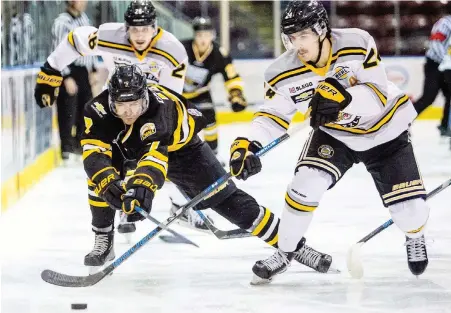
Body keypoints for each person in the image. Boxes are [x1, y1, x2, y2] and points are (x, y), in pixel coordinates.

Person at [229, 0, 430, 284]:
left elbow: (377, 95)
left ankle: (414, 235)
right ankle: (286, 251)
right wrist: (247, 143)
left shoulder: (357, 43)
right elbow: (271, 115)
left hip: (384, 129)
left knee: (410, 213)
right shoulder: (280, 72)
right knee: (305, 183)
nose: (297, 44)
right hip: (335, 134)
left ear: (321, 29)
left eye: (303, 35)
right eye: (291, 37)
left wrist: (343, 98)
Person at [79, 64, 332, 273]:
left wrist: (140, 190)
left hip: (182, 150)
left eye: (134, 104)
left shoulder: (161, 112)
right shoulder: (96, 110)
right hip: (126, 148)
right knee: (100, 180)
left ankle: (293, 246)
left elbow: (154, 159)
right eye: (121, 106)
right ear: (110, 100)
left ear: (144, 96)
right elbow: (93, 154)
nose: (129, 112)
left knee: (230, 202)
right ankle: (103, 238)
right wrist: (108, 184)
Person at [34, 0, 210, 236]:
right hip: (116, 108)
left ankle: (181, 203)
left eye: (145, 28)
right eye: (134, 29)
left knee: (170, 152)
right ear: (126, 27)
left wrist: (162, 125)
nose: (139, 35)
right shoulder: (110, 35)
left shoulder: (173, 49)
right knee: (111, 158)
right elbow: (75, 40)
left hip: (152, 107)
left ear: (155, 26)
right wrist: (51, 69)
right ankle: (113, 220)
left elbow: (170, 96)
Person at [181, 16, 248, 164]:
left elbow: (231, 76)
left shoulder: (219, 53)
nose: (203, 39)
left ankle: (212, 155)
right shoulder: (181, 48)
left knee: (210, 121)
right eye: (199, 35)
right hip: (178, 94)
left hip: (201, 93)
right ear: (194, 36)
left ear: (212, 35)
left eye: (206, 35)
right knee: (174, 124)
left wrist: (236, 95)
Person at [51, 0, 98, 162]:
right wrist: (66, 76)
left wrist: (92, 70)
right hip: (69, 70)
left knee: (85, 110)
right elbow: (58, 51)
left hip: (83, 70)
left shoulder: (85, 20)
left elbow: (91, 46)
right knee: (67, 110)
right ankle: (67, 149)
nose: (83, 2)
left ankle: (79, 145)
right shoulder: (61, 22)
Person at [414, 15, 451, 137]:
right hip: (434, 64)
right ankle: (400, 124)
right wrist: (445, 59)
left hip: (446, 65)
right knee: (428, 98)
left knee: (450, 96)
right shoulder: (446, 23)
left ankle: (445, 126)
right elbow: (435, 42)